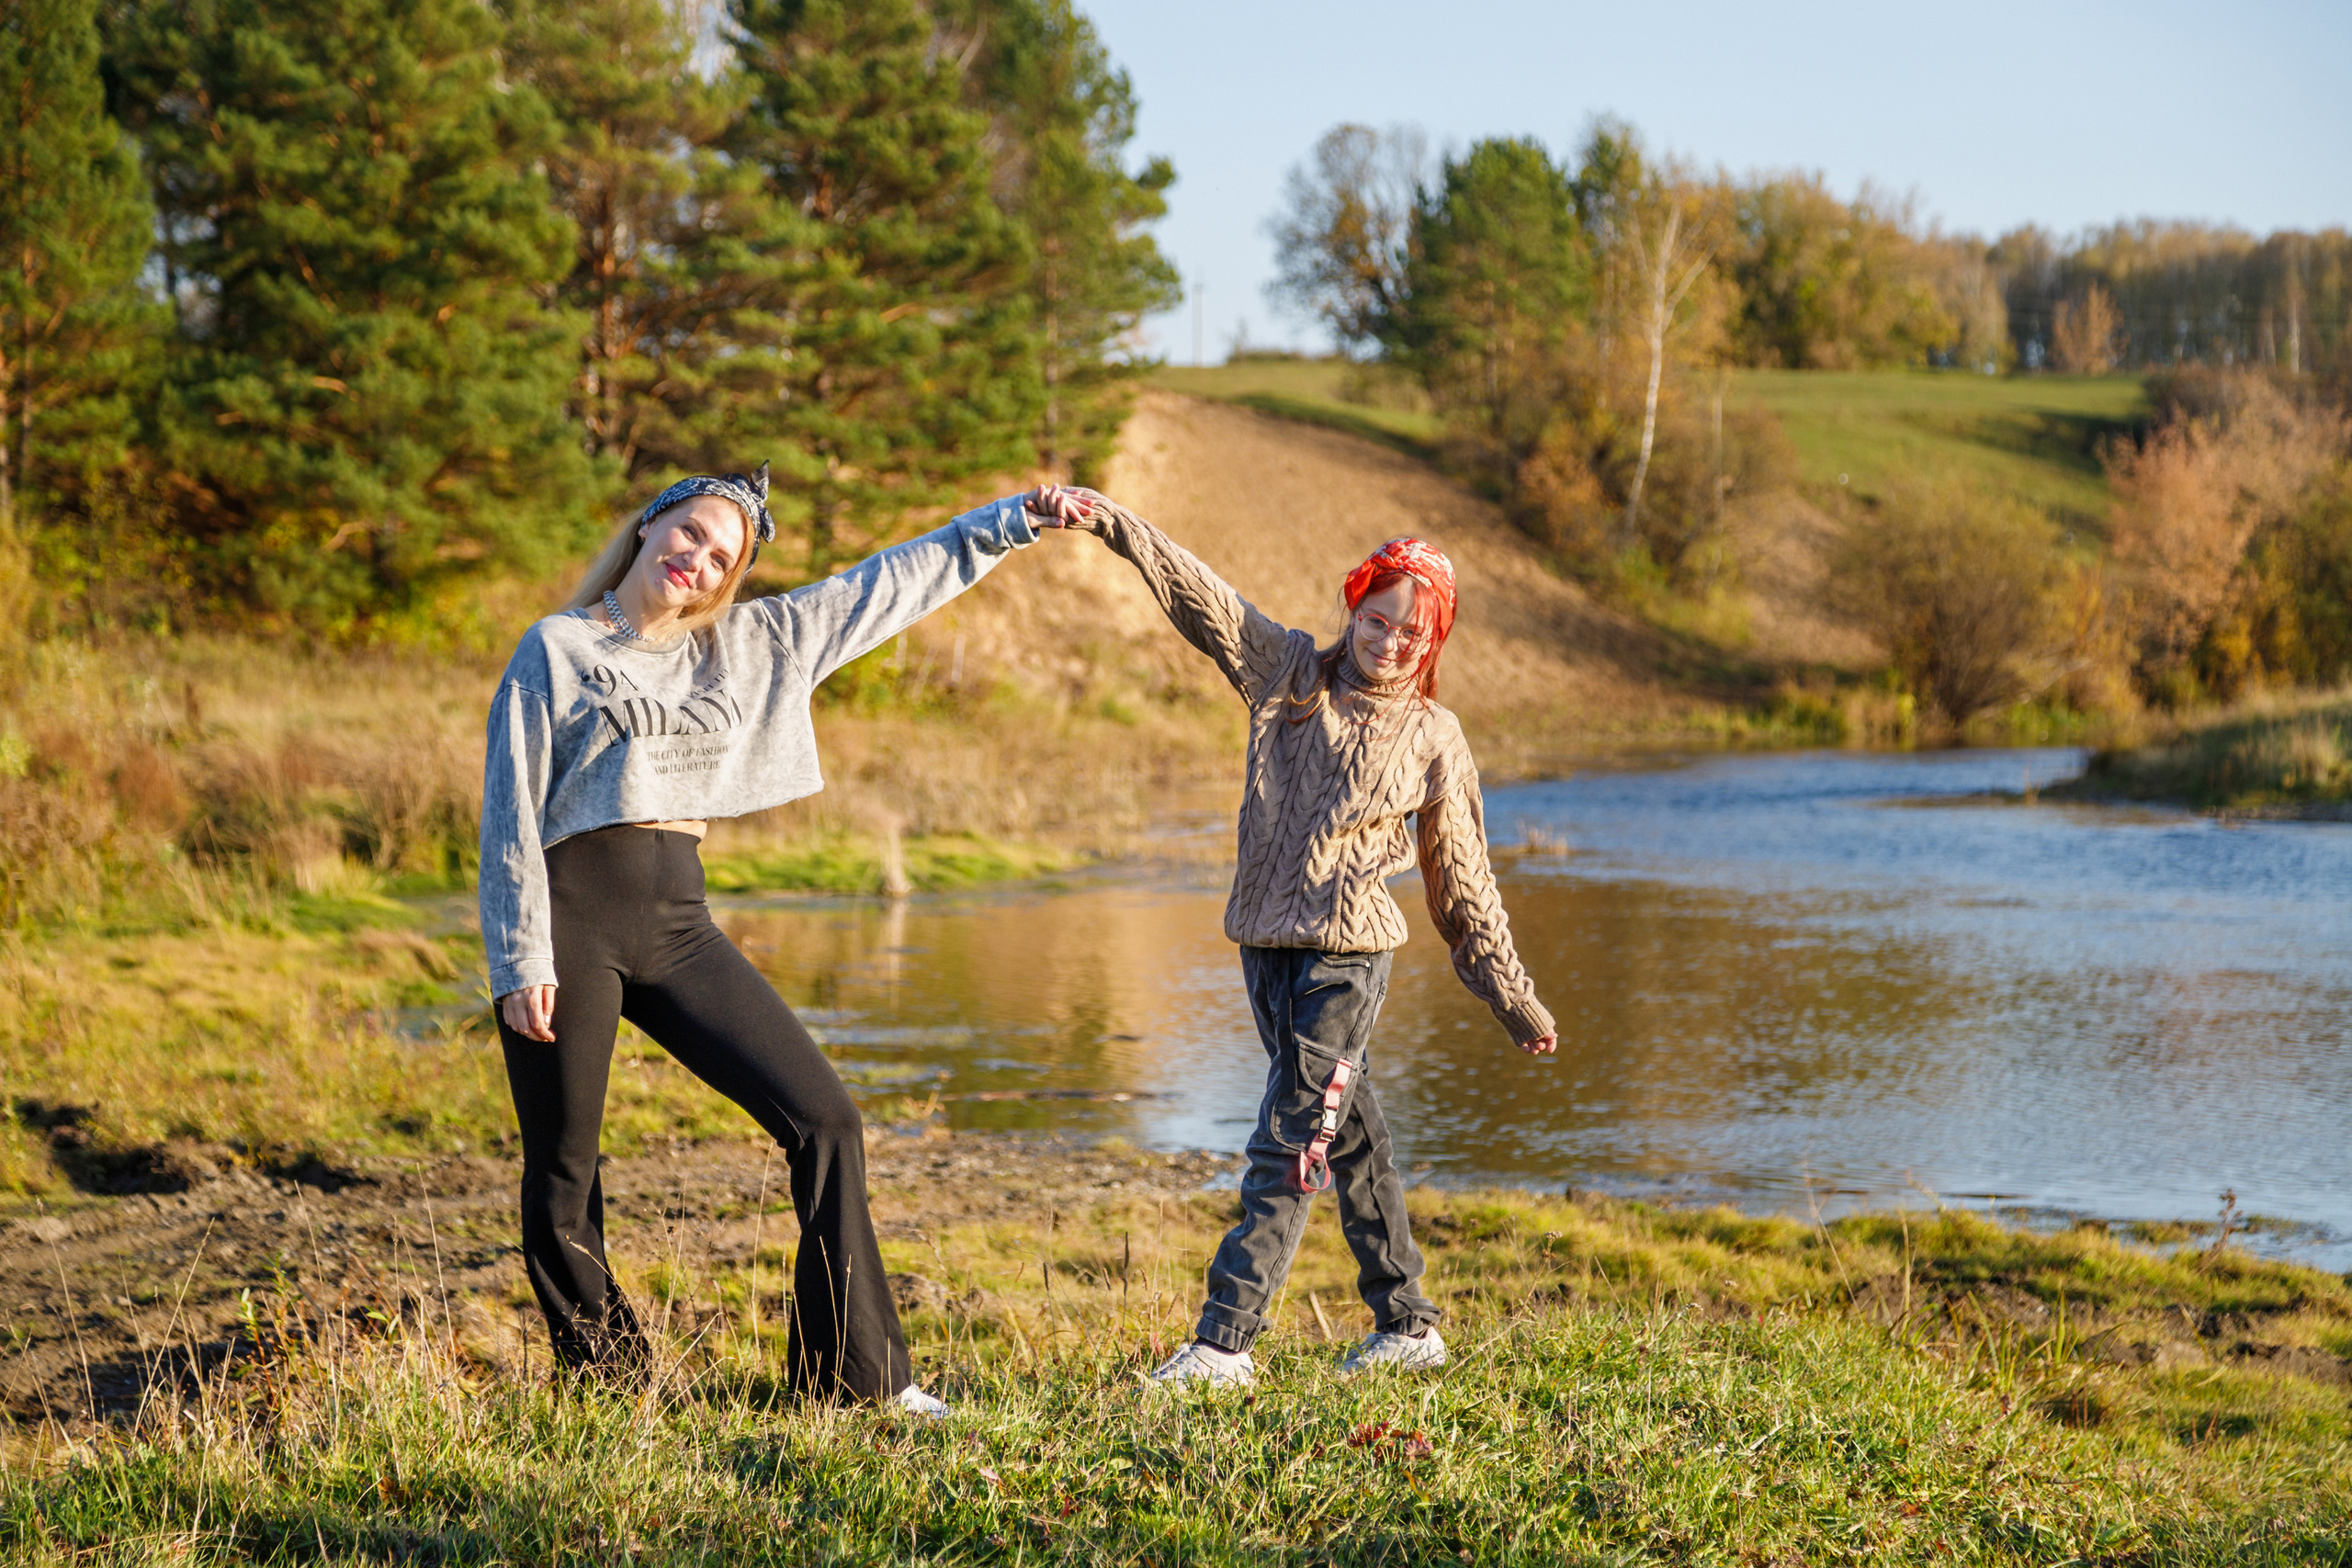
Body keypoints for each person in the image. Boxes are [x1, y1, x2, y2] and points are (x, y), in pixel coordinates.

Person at [481, 466, 1087, 1414]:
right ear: (649, 527)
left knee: (826, 1120)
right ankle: (618, 1391)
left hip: (677, 919)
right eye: (688, 533)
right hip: (568, 917)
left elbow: (882, 586)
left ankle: (856, 1380)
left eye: (722, 555)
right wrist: (520, 959)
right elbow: (508, 810)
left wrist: (1011, 521)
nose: (699, 558)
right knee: (566, 1170)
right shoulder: (556, 648)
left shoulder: (746, 645)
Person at [1032, 487, 1557, 1386]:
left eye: (1411, 634)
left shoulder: (1435, 735)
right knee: (1345, 1129)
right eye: (1378, 619)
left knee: (1291, 1136)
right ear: (1355, 604)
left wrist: (1509, 996)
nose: (1388, 643)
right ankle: (1408, 1323)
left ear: (1432, 645)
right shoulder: (1288, 676)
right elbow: (1202, 596)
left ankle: (1224, 1344)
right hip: (1264, 947)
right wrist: (1112, 523)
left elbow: (1461, 881)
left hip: (1348, 960)